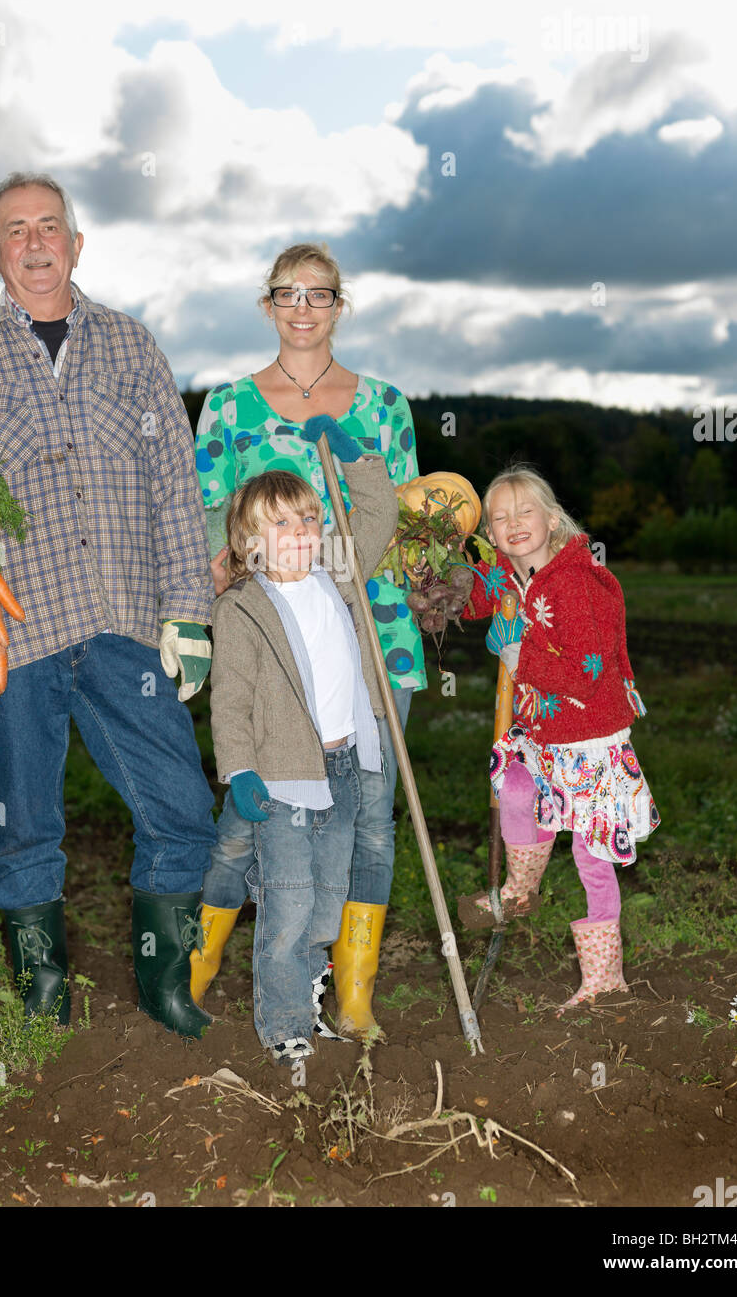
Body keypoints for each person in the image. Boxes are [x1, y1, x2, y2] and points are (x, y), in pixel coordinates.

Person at [0, 171, 217, 1037]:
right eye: (16, 230)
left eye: (50, 226)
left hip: (124, 622)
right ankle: (42, 987)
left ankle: (164, 985)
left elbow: (175, 490)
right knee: (25, 820)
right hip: (12, 631)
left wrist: (189, 609)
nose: (35, 243)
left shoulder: (131, 348)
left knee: (182, 808)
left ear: (76, 245)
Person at [190, 243, 423, 1037]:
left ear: (338, 304)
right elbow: (205, 523)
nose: (302, 307)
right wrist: (209, 596)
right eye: (287, 294)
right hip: (273, 641)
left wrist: (340, 555)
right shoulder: (226, 405)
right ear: (267, 305)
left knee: (367, 821)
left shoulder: (384, 404)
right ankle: (203, 959)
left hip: (369, 634)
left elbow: (396, 519)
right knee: (245, 819)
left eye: (318, 294)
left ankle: (349, 991)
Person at [208, 415, 398, 1062]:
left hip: (341, 767)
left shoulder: (334, 579)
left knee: (327, 906)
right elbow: (228, 699)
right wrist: (240, 772)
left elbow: (375, 516)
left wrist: (356, 462)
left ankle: (301, 985)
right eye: (282, 523)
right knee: (289, 912)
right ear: (249, 541)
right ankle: (284, 1026)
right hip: (283, 776)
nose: (302, 533)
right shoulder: (240, 607)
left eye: (309, 519)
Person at [464, 466, 659, 1013]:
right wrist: (439, 573)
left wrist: (520, 659)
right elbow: (471, 599)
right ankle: (520, 889)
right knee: (516, 785)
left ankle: (604, 979)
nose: (512, 523)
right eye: (499, 517)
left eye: (525, 511)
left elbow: (587, 674)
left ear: (551, 519)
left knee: (592, 857)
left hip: (591, 735)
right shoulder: (507, 572)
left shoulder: (575, 582)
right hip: (542, 731)